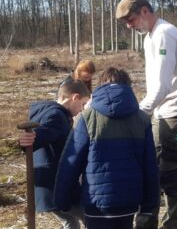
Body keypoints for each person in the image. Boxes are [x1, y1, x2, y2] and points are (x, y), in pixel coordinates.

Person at [116, 0, 177, 229]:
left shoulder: (164, 34)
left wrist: (138, 114)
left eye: (130, 20)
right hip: (167, 113)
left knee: (164, 175)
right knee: (168, 169)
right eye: (126, 23)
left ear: (144, 11)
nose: (129, 26)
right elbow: (157, 83)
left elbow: (162, 87)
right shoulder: (150, 36)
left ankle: (165, 225)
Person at [54, 67, 159, 229]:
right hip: (128, 200)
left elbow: (71, 163)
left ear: (100, 86)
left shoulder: (87, 118)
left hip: (96, 202)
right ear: (128, 86)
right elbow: (150, 166)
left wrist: (62, 200)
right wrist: (149, 206)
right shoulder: (142, 119)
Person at [18, 80, 91, 229]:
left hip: (48, 184)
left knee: (71, 222)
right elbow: (43, 133)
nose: (82, 109)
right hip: (55, 184)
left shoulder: (46, 111)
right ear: (74, 97)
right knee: (90, 217)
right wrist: (31, 139)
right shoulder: (57, 116)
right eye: (83, 104)